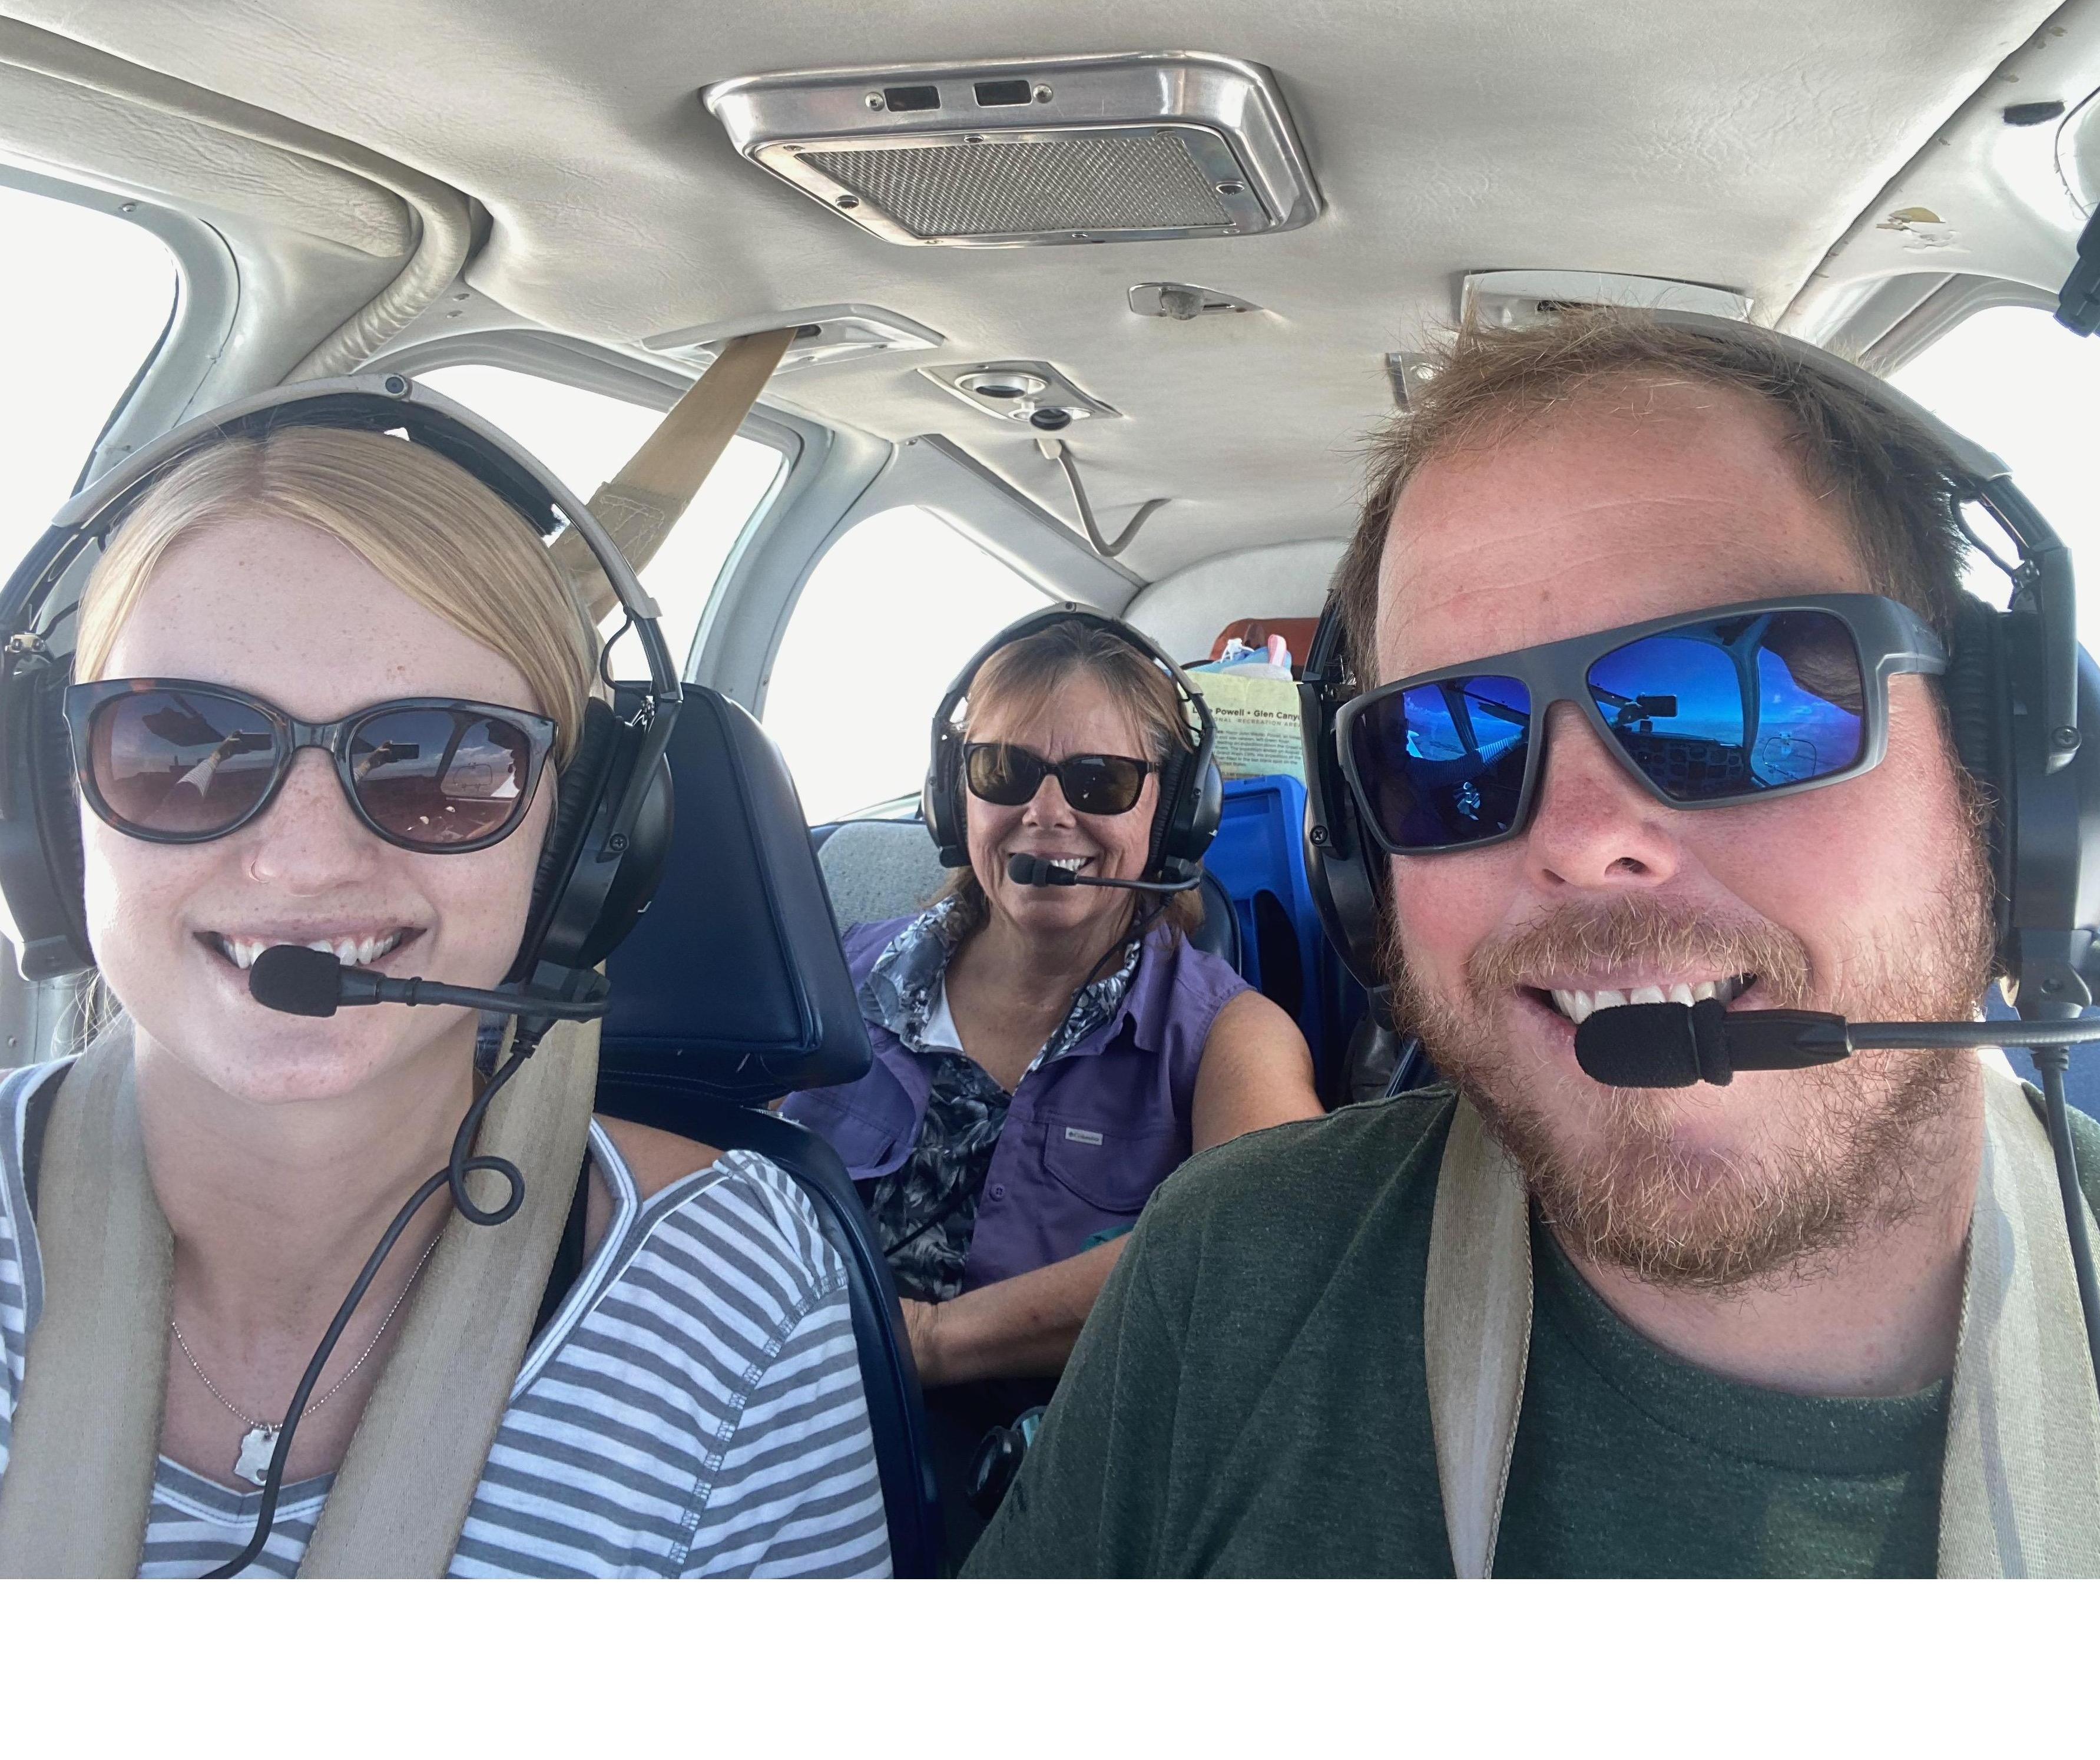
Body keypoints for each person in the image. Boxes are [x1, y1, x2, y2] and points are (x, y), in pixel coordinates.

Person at [966, 309, 2100, 1578]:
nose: (1576, 841)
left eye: (1739, 699)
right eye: (1449, 748)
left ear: (2003, 773)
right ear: (1358, 859)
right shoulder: (1227, 1270)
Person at [0, 416, 889, 1576]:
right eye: (180, 744)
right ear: (46, 815)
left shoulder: (733, 1295)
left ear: (583, 849)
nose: (302, 861)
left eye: (442, 759)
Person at [783, 612, 1320, 1514]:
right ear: (953, 798)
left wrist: (928, 1340)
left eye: (1099, 780)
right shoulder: (830, 973)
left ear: (1178, 811)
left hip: (1036, 1483)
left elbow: (1269, 1251)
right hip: (780, 1409)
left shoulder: (1231, 1035)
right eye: (1003, 771)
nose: (1045, 813)